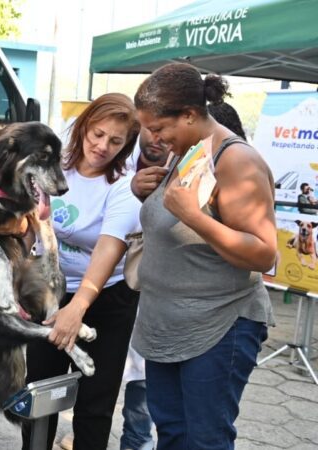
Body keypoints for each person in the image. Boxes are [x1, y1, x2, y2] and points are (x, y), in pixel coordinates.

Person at [131, 62, 275, 449]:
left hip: (218, 326)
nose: (155, 139)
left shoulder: (236, 160)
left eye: (160, 129)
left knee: (205, 439)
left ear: (191, 115)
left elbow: (263, 253)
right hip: (167, 325)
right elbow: (174, 220)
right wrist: (145, 193)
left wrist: (194, 217)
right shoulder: (190, 150)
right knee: (173, 433)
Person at [22, 93, 142, 450]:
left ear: (126, 145)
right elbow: (26, 224)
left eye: (116, 141)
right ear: (84, 126)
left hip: (107, 299)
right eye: (97, 134)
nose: (103, 146)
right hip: (49, 293)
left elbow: (109, 245)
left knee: (95, 402)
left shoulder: (124, 185)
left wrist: (77, 309)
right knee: (39, 393)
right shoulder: (53, 165)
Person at [121, 127, 171, 450]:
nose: (158, 138)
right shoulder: (118, 160)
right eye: (152, 128)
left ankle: (137, 442)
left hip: (155, 293)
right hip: (107, 287)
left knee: (141, 390)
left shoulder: (188, 168)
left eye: (166, 131)